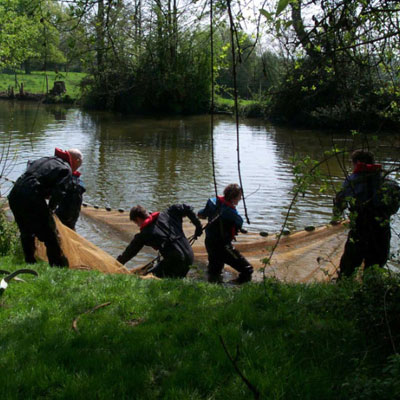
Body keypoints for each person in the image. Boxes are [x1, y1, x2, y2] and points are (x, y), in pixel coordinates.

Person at [8, 148, 83, 267]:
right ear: (76, 160)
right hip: (31, 196)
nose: (77, 169)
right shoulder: (66, 168)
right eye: (79, 165)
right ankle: (58, 268)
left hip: (14, 194)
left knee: (26, 231)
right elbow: (59, 192)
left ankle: (30, 263)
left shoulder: (47, 159)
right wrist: (50, 210)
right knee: (51, 235)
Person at [333, 149, 398, 279]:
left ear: (356, 163)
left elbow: (340, 202)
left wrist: (336, 217)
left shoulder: (352, 181)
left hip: (359, 229)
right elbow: (394, 206)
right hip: (381, 229)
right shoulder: (388, 181)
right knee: (375, 268)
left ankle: (342, 293)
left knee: (348, 268)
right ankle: (370, 294)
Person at [116, 204, 203, 278]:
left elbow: (130, 252)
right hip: (190, 257)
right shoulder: (169, 213)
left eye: (136, 223)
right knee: (175, 278)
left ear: (138, 219)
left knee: (148, 277)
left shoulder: (144, 234)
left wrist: (117, 264)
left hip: (175, 261)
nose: (138, 225)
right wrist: (198, 226)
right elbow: (187, 208)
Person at [198, 183, 253, 284]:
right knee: (247, 270)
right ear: (233, 198)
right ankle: (230, 287)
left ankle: (213, 288)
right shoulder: (232, 213)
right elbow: (239, 223)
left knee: (214, 271)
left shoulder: (212, 202)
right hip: (223, 247)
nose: (240, 199)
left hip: (209, 243)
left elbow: (201, 214)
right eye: (239, 197)